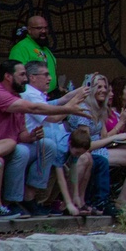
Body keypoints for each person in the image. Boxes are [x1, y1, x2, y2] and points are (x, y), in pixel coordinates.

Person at [0, 60, 89, 218]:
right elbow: (36, 108)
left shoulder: (18, 96)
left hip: (14, 143)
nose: (25, 78)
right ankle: (13, 201)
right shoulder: (0, 94)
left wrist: (32, 136)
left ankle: (29, 198)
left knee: (48, 145)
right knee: (22, 151)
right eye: (22, 75)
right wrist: (70, 107)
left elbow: (22, 133)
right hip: (0, 145)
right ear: (8, 77)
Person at [68, 73, 126, 215]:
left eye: (105, 87)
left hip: (101, 149)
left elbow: (105, 136)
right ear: (89, 89)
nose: (103, 90)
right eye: (98, 86)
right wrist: (117, 136)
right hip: (88, 153)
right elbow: (85, 146)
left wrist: (123, 126)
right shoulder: (85, 109)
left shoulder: (99, 109)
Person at [19, 60, 93, 215]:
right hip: (30, 143)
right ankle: (33, 199)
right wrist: (72, 107)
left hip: (39, 142)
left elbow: (61, 101)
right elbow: (55, 117)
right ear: (32, 77)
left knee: (65, 159)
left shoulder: (36, 94)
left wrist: (83, 89)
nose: (50, 78)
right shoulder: (30, 95)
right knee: (52, 149)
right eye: (45, 74)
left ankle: (56, 202)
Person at [9, 15, 60, 95]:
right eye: (39, 28)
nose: (43, 31)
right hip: (32, 99)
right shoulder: (21, 48)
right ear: (29, 30)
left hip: (49, 96)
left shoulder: (45, 48)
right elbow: (16, 76)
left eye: (45, 28)